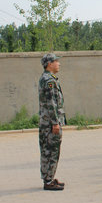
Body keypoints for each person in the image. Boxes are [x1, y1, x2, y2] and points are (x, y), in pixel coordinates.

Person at [39, 53, 66, 191]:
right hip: (50, 123)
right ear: (49, 64)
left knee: (48, 150)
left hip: (47, 122)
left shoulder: (47, 78)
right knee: (51, 150)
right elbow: (51, 103)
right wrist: (55, 122)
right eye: (56, 61)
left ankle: (49, 177)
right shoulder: (49, 80)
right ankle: (48, 181)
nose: (59, 64)